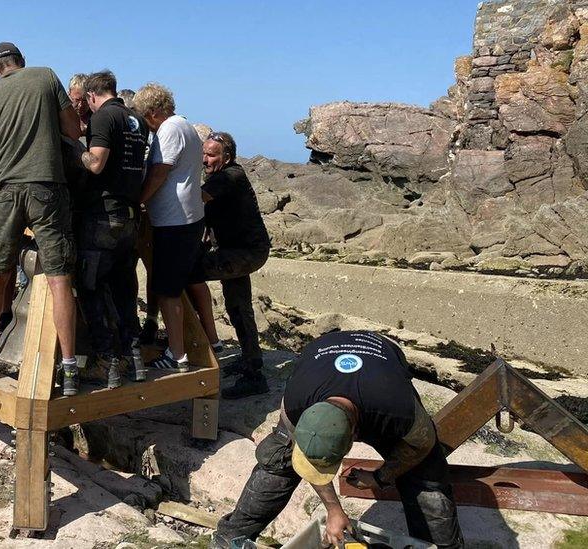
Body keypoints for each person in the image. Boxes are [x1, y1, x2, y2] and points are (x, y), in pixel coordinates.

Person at [212, 330, 464, 549]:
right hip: (324, 352)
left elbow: (421, 445)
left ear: (355, 435)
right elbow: (308, 459)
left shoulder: (396, 410)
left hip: (381, 358)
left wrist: (381, 476)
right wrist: (333, 509)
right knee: (278, 459)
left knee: (427, 477)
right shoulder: (296, 404)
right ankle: (231, 538)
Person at [0, 42, 82, 394]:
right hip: (46, 186)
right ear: (21, 61)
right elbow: (74, 130)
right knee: (59, 277)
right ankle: (69, 367)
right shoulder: (45, 76)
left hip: (4, 192)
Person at [76, 70, 149, 387]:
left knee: (90, 286)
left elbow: (96, 163)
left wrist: (73, 149)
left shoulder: (103, 118)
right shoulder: (137, 121)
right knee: (124, 289)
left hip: (104, 215)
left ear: (92, 95)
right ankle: (134, 359)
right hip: (131, 217)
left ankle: (106, 360)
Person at [189, 132, 271, 399]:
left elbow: (197, 199)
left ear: (227, 157)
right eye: (203, 154)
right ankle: (251, 361)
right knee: (238, 306)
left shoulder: (229, 176)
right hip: (235, 250)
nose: (205, 159)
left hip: (246, 252)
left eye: (211, 155)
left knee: (188, 273)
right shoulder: (219, 178)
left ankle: (248, 372)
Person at [135, 83, 207, 372]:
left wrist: (138, 200)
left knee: (168, 291)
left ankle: (177, 356)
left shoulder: (169, 130)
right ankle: (189, 348)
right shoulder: (186, 126)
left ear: (152, 113)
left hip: (173, 220)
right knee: (176, 286)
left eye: (143, 118)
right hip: (187, 216)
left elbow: (159, 172)